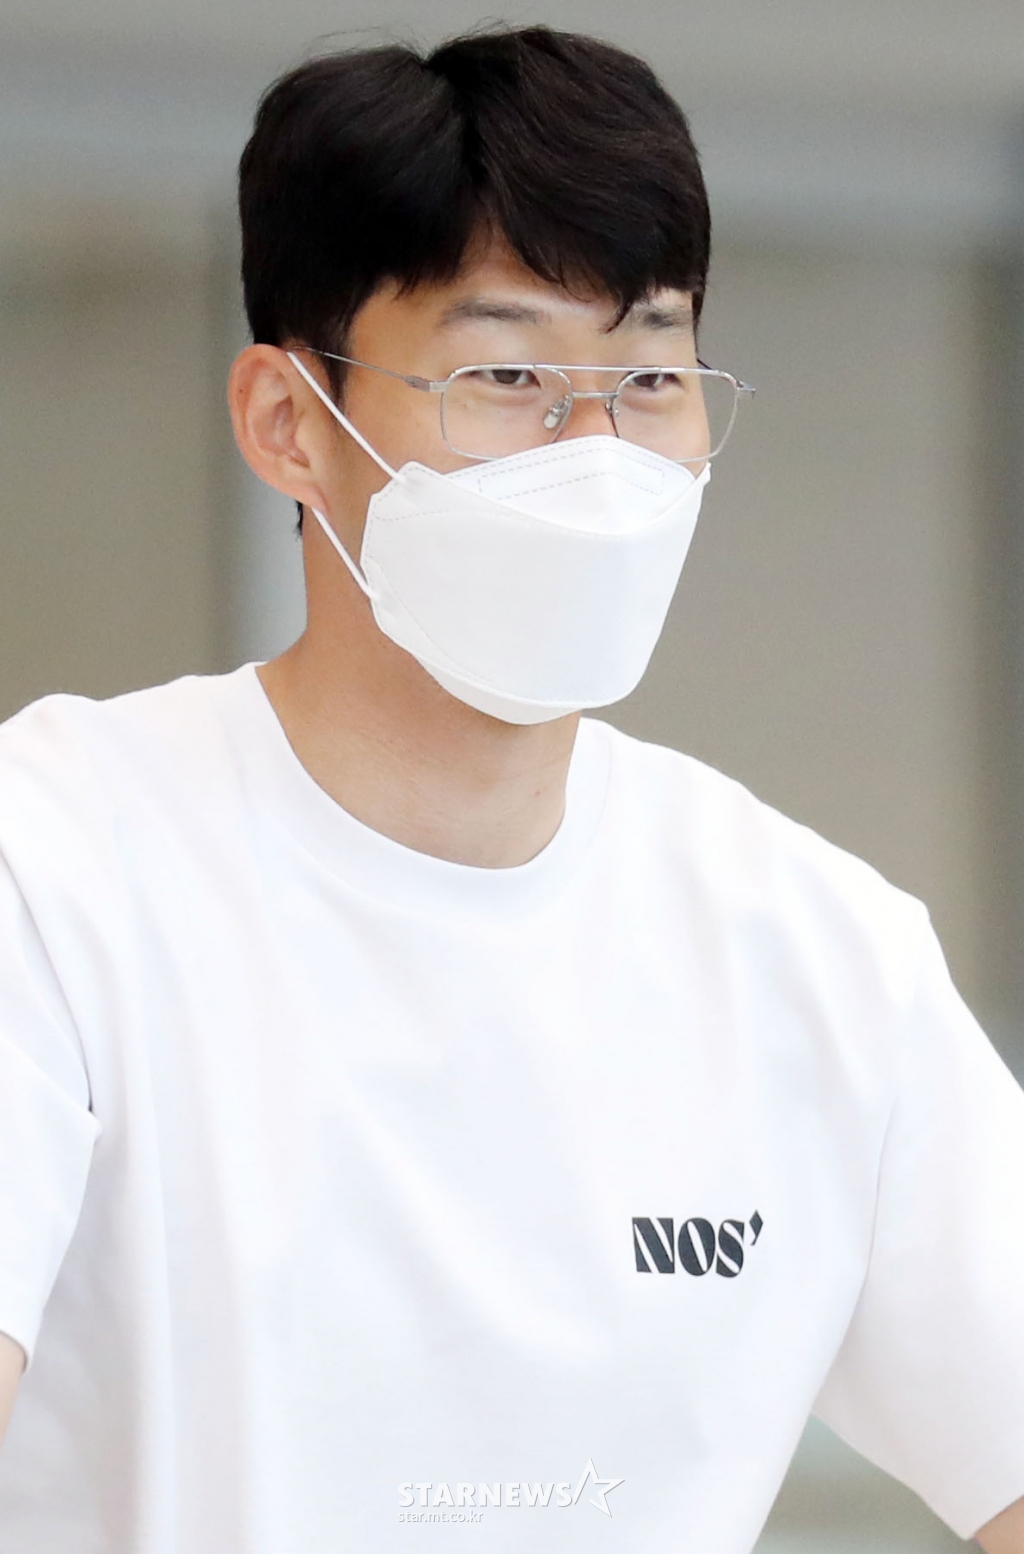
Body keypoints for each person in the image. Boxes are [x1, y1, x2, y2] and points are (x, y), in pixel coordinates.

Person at [0, 24, 1021, 1554]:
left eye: (652, 376)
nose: (596, 453)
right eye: (508, 374)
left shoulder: (821, 959)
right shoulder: (59, 866)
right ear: (290, 423)